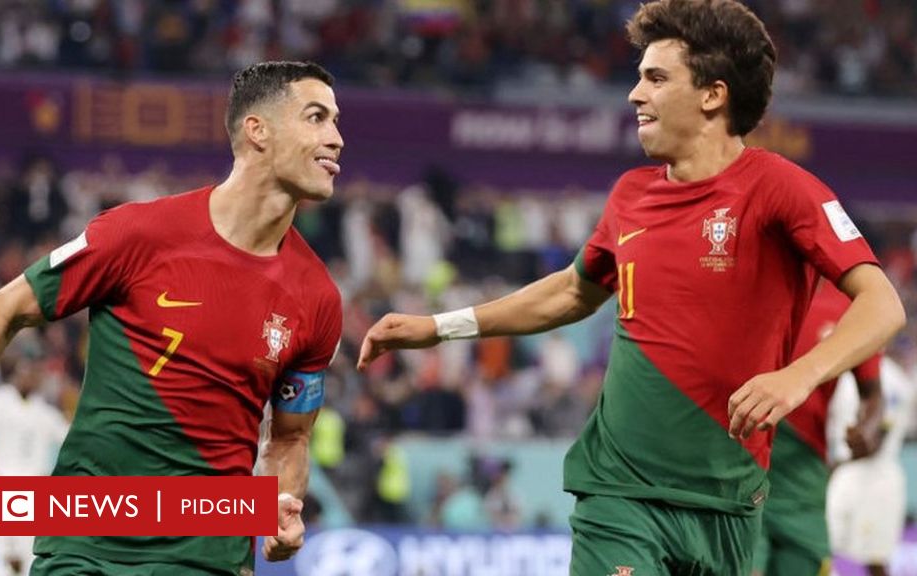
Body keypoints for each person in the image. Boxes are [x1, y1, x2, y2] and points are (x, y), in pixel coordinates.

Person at [355, 1, 906, 574]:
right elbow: (572, 292)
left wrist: (798, 376)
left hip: (730, 502)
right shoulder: (630, 195)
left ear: (712, 94)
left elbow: (882, 304)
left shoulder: (782, 189)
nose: (634, 94)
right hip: (620, 494)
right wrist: (441, 327)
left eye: (655, 78)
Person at [0, 60, 344, 575]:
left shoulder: (317, 298)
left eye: (335, 121)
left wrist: (281, 503)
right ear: (257, 131)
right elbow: (5, 310)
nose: (336, 138)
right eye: (316, 117)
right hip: (85, 544)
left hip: (207, 555)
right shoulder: (141, 235)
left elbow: (290, 438)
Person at [753, 282, 884, 576]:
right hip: (742, 450)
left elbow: (873, 395)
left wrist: (868, 429)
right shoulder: (743, 281)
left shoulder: (852, 304)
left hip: (803, 469)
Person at [0, 335, 70, 576]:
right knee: (5, 561)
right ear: (18, 370)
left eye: (37, 371)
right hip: (3, 488)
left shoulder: (45, 411)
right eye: (29, 370)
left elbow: (71, 437)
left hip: (35, 490)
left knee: (30, 560)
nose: (33, 376)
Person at [826, 355, 915, 576]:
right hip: (844, 471)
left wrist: (833, 466)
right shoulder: (841, 365)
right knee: (820, 545)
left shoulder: (888, 377)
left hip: (872, 477)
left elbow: (876, 438)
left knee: (875, 558)